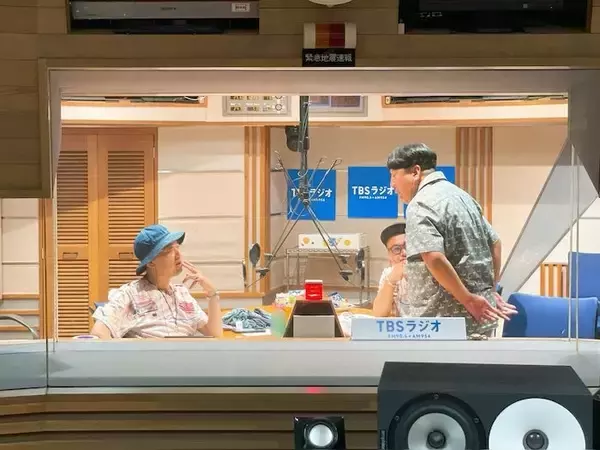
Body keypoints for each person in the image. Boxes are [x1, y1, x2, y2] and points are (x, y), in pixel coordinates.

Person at [387, 143, 517, 336]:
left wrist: (468, 299)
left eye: (394, 175)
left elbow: (434, 258)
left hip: (441, 324)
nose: (392, 185)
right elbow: (495, 243)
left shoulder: (420, 203)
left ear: (415, 172)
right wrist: (489, 290)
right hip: (479, 316)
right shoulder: (462, 197)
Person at [91, 224, 223, 339]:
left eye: (177, 247)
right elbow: (99, 333)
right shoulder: (130, 294)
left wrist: (212, 294)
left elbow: (214, 333)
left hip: (185, 357)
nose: (178, 255)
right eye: (169, 250)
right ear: (150, 262)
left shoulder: (182, 294)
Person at [372, 223, 409, 317]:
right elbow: (379, 314)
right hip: (401, 326)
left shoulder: (431, 269)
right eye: (396, 249)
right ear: (389, 255)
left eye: (408, 246)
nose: (404, 253)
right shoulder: (388, 273)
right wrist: (391, 281)